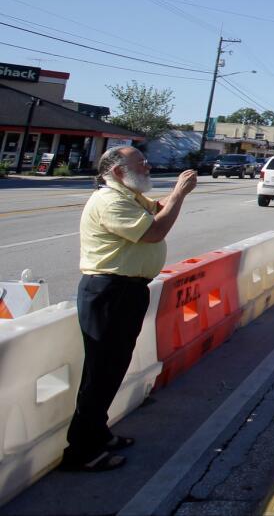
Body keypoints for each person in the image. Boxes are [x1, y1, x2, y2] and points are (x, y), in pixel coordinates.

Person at [61, 146, 197, 472]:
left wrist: (176, 195)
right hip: (109, 293)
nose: (148, 166)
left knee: (113, 367)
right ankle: (81, 451)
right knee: (101, 372)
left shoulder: (130, 196)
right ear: (119, 171)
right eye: (141, 163)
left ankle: (98, 433)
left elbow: (160, 210)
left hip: (125, 292)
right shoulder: (109, 201)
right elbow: (154, 232)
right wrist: (180, 191)